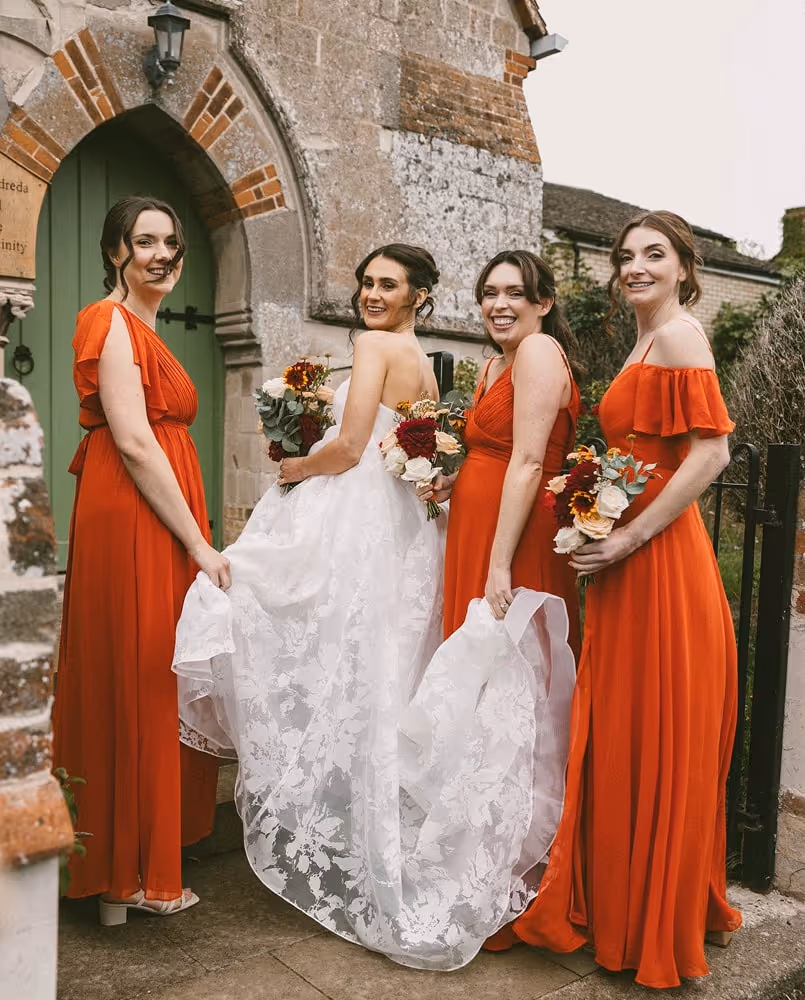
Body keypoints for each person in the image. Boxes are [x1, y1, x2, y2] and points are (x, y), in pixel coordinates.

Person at [172, 244, 576, 970]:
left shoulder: (374, 345)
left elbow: (353, 445)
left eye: (387, 284)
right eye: (365, 282)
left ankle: (342, 814)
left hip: (360, 519)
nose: (370, 294)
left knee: (298, 622)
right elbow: (424, 450)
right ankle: (396, 821)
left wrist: (294, 468)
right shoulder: (427, 361)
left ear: (418, 295)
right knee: (395, 672)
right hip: (409, 527)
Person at [488, 211, 742, 988]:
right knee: (623, 732)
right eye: (625, 255)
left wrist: (628, 536)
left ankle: (650, 922)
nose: (635, 266)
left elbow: (711, 452)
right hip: (625, 563)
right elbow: (641, 456)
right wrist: (595, 507)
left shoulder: (680, 337)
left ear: (683, 267)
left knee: (654, 732)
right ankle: (623, 904)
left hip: (662, 564)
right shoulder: (643, 340)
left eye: (653, 255)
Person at [52, 196, 230, 925]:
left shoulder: (146, 326)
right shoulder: (109, 320)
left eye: (170, 243)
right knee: (136, 668)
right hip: (133, 511)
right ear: (116, 251)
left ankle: (129, 866)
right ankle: (123, 874)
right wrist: (197, 541)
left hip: (155, 510)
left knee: (151, 664)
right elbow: (131, 439)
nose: (162, 255)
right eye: (145, 242)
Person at [420, 250, 582, 657]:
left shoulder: (538, 349)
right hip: (475, 527)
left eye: (515, 293)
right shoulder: (493, 367)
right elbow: (493, 451)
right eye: (490, 293)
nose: (499, 305)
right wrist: (457, 478)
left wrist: (499, 564)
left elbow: (529, 462)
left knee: (510, 655)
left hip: (516, 534)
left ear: (544, 304)